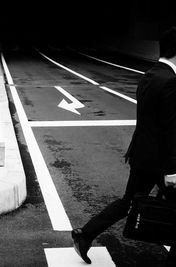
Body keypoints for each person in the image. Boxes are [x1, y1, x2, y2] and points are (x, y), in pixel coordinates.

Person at [72, 27, 176, 266]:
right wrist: (171, 171)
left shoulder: (149, 75)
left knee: (127, 203)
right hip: (160, 162)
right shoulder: (171, 82)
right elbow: (170, 130)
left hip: (142, 155)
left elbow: (149, 122)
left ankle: (85, 235)